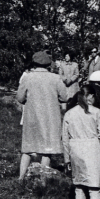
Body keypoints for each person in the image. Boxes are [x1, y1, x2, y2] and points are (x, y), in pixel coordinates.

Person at [16, 51, 69, 181]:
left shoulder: (28, 77)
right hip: (50, 119)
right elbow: (64, 97)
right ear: (48, 64)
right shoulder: (56, 78)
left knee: (28, 148)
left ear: (34, 63)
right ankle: (41, 180)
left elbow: (20, 97)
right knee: (47, 149)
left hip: (32, 118)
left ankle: (21, 178)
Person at [63, 85, 100, 199]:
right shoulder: (98, 113)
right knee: (94, 186)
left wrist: (67, 159)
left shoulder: (69, 114)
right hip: (92, 148)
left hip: (75, 148)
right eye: (94, 96)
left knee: (79, 185)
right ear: (90, 96)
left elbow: (65, 138)